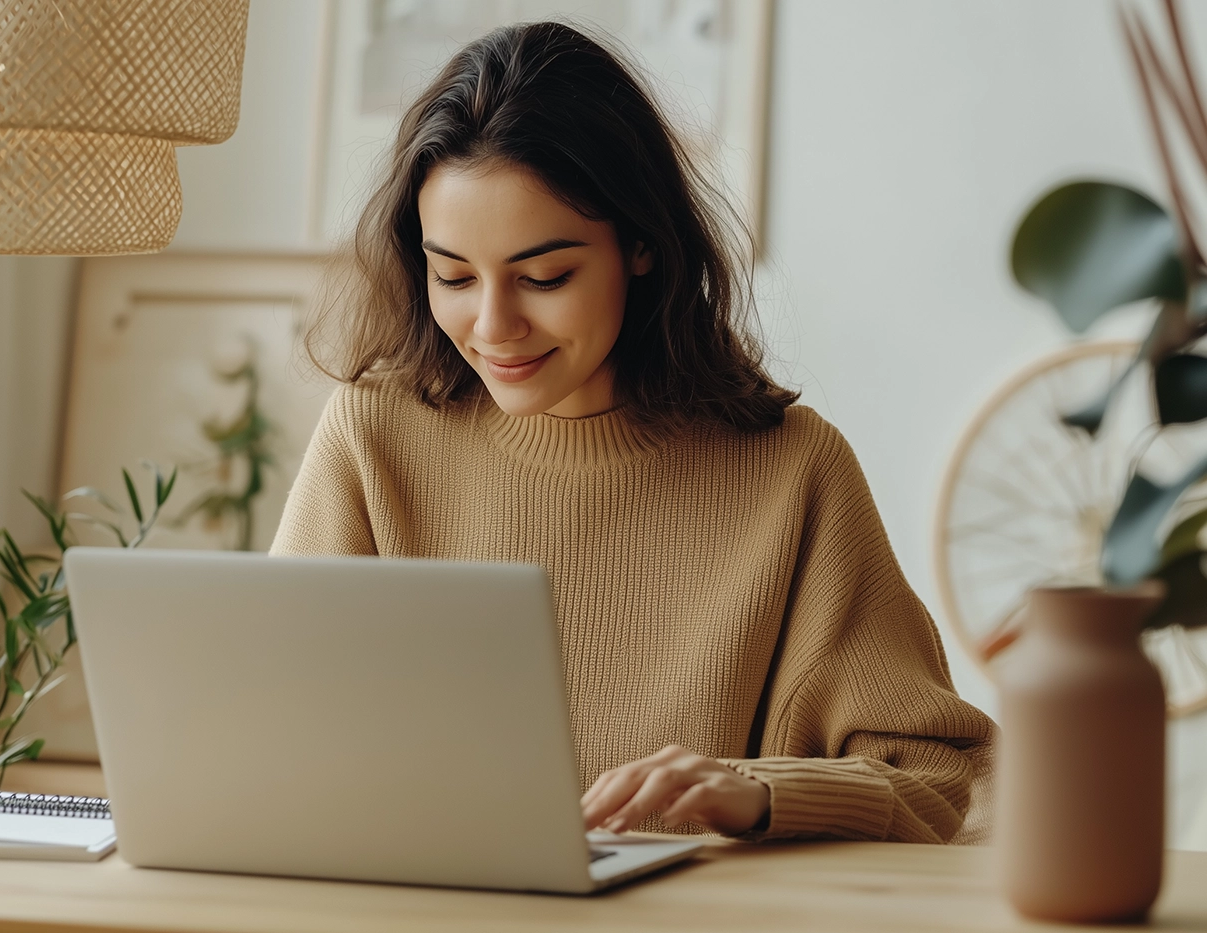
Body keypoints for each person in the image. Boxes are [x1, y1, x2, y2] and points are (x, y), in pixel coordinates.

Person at [272, 21, 995, 843]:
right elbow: (266, 732)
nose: (494, 325)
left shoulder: (794, 470)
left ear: (642, 244)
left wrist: (757, 792)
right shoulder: (373, 439)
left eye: (544, 276)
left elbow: (941, 779)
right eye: (454, 276)